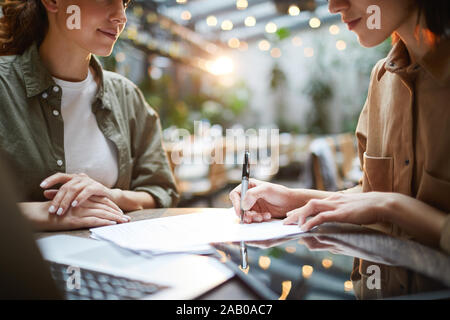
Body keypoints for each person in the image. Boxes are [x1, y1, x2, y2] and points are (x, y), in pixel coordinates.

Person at [229, 0, 449, 297]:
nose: (333, 6)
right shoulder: (383, 79)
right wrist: (292, 200)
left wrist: (395, 208)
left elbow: (385, 202)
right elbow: (373, 195)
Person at [0, 0, 179, 231]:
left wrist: (112, 196)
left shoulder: (127, 96)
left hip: (111, 263)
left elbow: (161, 191)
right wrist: (46, 213)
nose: (121, 16)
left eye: (124, 2)